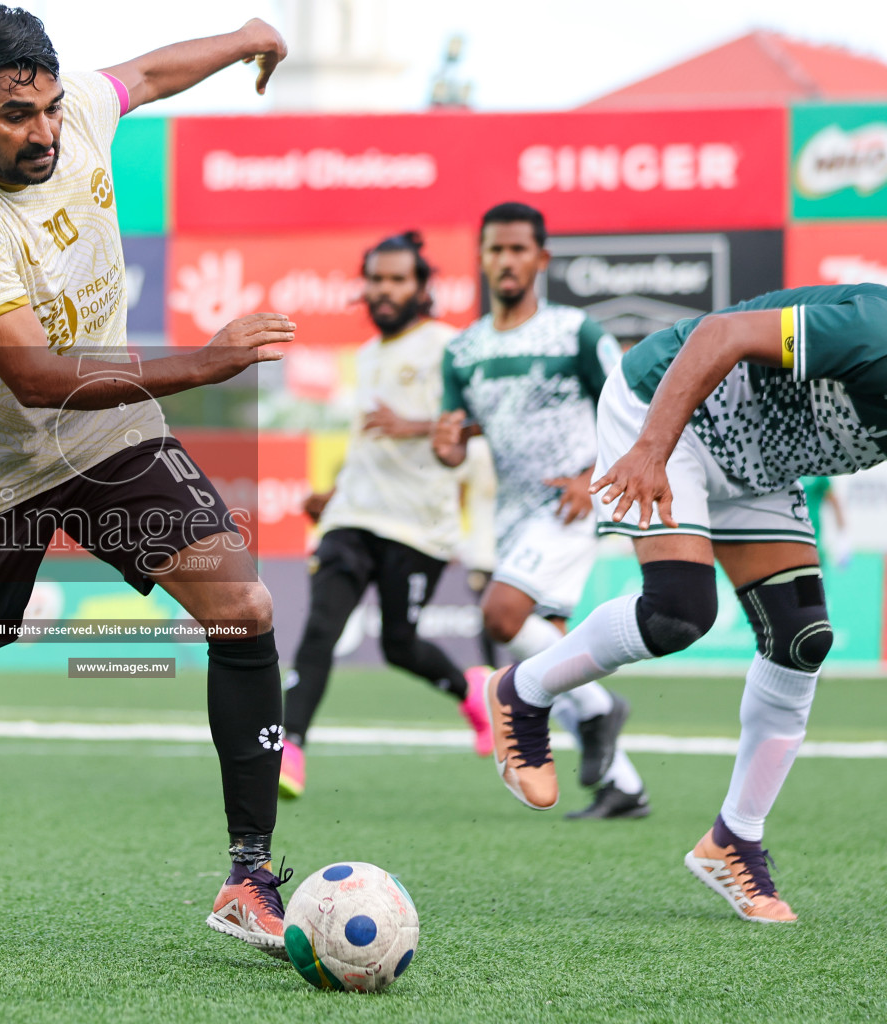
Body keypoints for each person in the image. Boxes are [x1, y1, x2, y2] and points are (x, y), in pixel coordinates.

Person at [0, 6, 297, 953]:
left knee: (243, 608)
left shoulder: (73, 108)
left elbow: (152, 75)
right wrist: (202, 366)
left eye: (47, 108)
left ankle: (248, 877)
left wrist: (245, 36)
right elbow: (37, 377)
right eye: (14, 117)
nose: (42, 132)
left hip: (109, 437)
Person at [486, 281, 887, 922]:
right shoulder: (878, 331)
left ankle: (734, 839)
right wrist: (650, 449)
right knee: (678, 611)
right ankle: (524, 691)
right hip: (670, 411)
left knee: (802, 636)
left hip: (759, 464)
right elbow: (718, 336)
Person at [433, 202, 650, 820]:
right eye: (496, 249)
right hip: (513, 512)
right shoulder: (464, 349)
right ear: (481, 258)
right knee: (548, 651)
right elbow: (457, 436)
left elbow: (631, 404)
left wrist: (590, 476)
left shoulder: (574, 332)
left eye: (518, 249)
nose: (506, 260)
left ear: (541, 259)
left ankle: (604, 711)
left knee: (501, 615)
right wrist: (448, 446)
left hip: (571, 499)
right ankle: (624, 784)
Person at [280, 232, 491, 801]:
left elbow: (485, 420)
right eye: (376, 279)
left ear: (422, 287)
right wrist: (333, 491)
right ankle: (288, 746)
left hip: (419, 524)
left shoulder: (450, 346)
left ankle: (473, 690)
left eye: (398, 279)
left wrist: (415, 425)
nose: (384, 289)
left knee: (400, 643)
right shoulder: (368, 355)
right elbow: (367, 437)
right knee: (320, 627)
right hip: (354, 516)